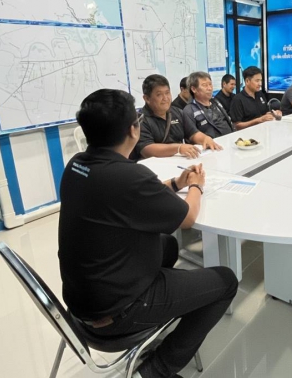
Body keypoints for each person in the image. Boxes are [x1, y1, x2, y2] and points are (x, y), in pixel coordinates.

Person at [58, 89, 238, 378]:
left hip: (81, 301)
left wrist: (177, 182)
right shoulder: (129, 176)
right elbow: (188, 217)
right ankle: (156, 369)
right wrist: (196, 185)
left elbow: (129, 197)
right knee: (226, 281)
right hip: (117, 312)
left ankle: (162, 308)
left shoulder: (77, 165)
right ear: (133, 130)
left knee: (168, 246)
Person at [132, 74, 222, 161]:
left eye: (167, 93)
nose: (165, 98)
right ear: (147, 98)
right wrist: (178, 148)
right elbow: (146, 150)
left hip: (180, 161)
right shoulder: (140, 120)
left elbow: (192, 133)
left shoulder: (177, 112)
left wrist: (205, 139)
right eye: (159, 95)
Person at [182, 71, 234, 139]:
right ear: (194, 89)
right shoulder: (189, 110)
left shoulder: (216, 102)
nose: (209, 88)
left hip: (230, 139)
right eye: (205, 85)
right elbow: (191, 135)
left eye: (210, 84)